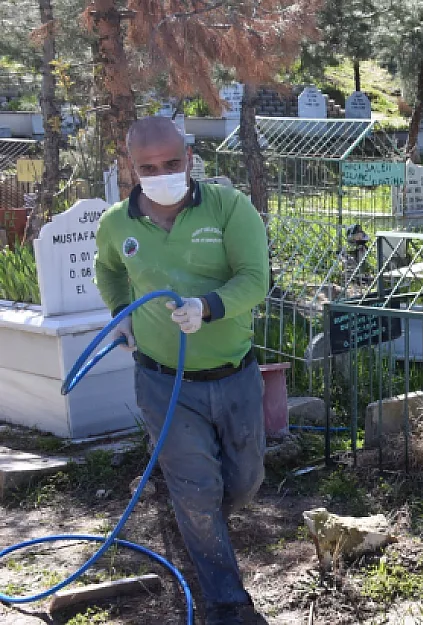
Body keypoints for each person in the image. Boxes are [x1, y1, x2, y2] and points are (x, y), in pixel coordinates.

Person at [94, 116, 270, 625]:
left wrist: (208, 306)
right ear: (132, 167)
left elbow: (256, 278)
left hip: (233, 376)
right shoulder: (116, 224)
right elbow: (107, 268)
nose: (161, 172)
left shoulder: (229, 208)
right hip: (162, 380)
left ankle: (202, 519)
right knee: (195, 494)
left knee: (243, 482)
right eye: (148, 167)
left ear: (188, 157)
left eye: (171, 163)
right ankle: (227, 604)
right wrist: (119, 314)